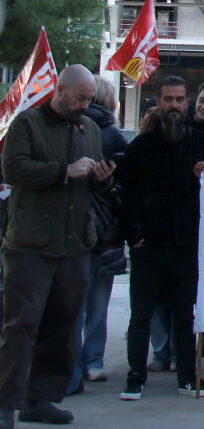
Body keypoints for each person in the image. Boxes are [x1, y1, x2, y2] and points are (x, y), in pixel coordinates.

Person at [0, 65, 115, 428]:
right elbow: (13, 169)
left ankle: (41, 399)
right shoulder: (27, 124)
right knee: (21, 326)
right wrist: (63, 171)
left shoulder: (90, 129)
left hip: (74, 245)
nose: (84, 106)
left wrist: (101, 179)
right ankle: (5, 402)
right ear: (60, 90)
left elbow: (90, 183)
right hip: (31, 245)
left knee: (63, 326)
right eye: (79, 98)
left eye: (89, 100)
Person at [118, 75, 204, 401]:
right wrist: (134, 236)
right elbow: (128, 196)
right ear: (159, 103)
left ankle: (188, 377)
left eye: (179, 99)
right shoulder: (141, 146)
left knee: (184, 315)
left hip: (187, 246)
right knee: (141, 315)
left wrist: (202, 178)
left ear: (187, 102)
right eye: (168, 100)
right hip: (149, 245)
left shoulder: (203, 145)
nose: (174, 105)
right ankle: (135, 377)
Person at [69, 75, 129, 392]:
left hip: (74, 226)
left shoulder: (71, 128)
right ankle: (93, 361)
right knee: (98, 303)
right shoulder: (115, 136)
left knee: (73, 304)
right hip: (106, 230)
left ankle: (73, 365)